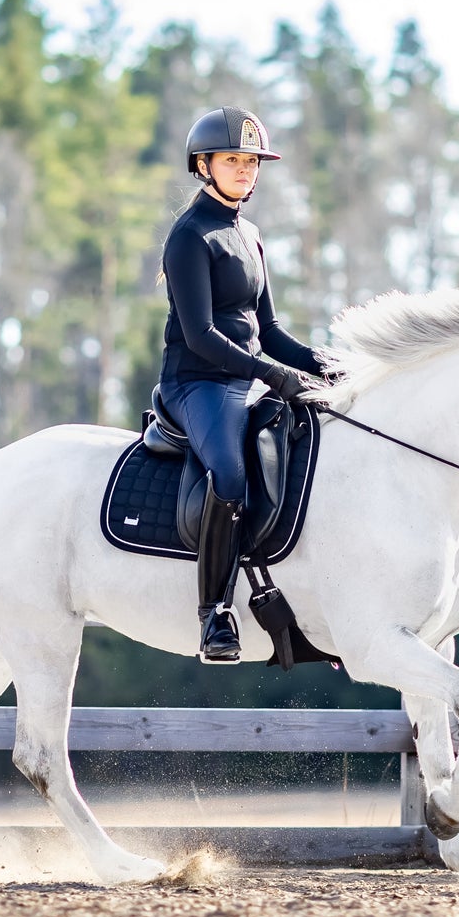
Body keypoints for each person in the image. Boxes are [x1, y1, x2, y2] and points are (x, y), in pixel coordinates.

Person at [158, 106, 325, 663]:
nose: (245, 170)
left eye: (252, 162)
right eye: (233, 160)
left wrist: (324, 364)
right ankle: (216, 615)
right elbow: (201, 335)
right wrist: (273, 374)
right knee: (229, 476)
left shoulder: (250, 235)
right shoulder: (189, 237)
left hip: (246, 378)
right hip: (197, 382)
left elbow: (269, 330)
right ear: (203, 164)